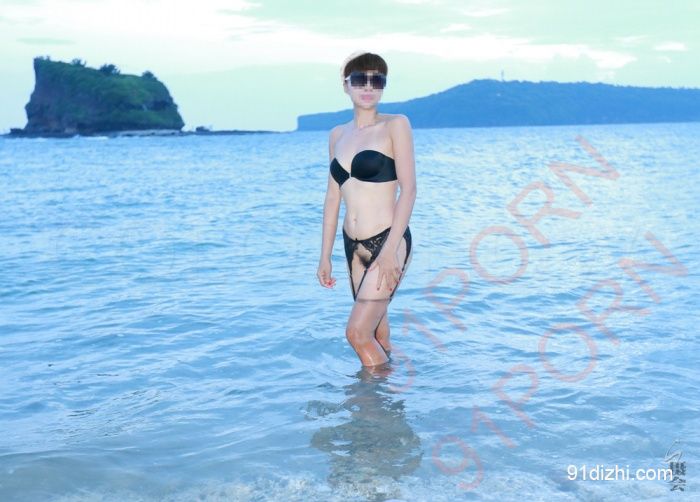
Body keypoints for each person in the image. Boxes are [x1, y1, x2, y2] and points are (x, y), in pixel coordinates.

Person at [317, 51, 417, 368]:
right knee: (377, 334)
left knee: (357, 334)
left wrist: (388, 252)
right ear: (346, 85)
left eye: (378, 80)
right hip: (353, 246)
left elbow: (409, 190)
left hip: (389, 240)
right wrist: (325, 256)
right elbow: (332, 199)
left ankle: (371, 398)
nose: (369, 87)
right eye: (360, 79)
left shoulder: (396, 125)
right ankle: (386, 395)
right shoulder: (337, 135)